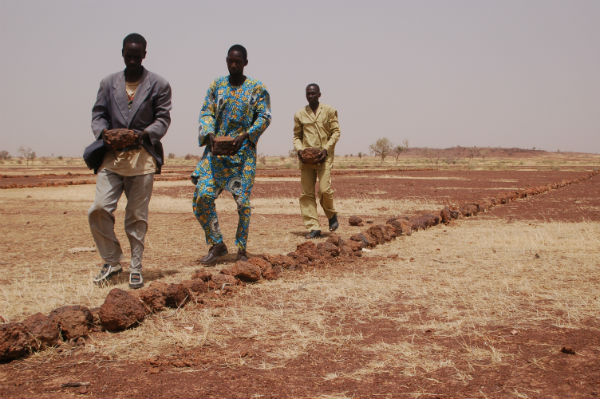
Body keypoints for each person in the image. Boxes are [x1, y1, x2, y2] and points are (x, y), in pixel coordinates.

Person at [88, 33, 172, 288]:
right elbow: (99, 114)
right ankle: (111, 261)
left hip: (142, 160)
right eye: (129, 56)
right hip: (112, 159)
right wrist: (105, 134)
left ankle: (136, 266)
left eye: (138, 56)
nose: (133, 60)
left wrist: (142, 134)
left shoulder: (159, 84)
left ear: (144, 55)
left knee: (136, 216)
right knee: (99, 209)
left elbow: (163, 119)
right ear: (122, 53)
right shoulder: (108, 83)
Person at [191, 44, 271, 264]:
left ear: (245, 63)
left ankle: (242, 250)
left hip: (242, 158)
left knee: (242, 203)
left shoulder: (257, 88)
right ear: (226, 61)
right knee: (202, 198)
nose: (233, 65)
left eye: (238, 61)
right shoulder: (217, 86)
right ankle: (217, 243)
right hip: (216, 157)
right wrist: (209, 135)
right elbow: (206, 111)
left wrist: (246, 135)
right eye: (230, 61)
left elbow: (264, 117)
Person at [293, 83, 340, 239]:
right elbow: (297, 137)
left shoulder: (329, 111)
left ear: (319, 94)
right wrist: (299, 150)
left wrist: (326, 148)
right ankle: (313, 227)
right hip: (306, 159)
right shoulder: (300, 114)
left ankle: (331, 214)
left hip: (324, 157)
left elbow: (336, 132)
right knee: (306, 194)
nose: (310, 96)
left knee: (324, 190)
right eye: (308, 94)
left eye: (313, 93)